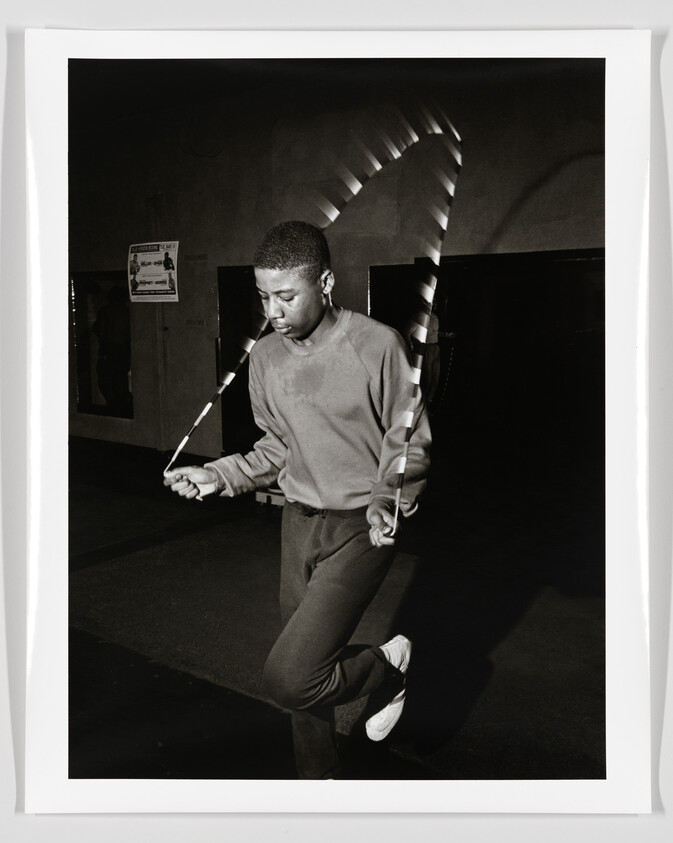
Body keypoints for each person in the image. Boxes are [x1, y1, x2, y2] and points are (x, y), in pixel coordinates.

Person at [163, 221, 431, 779]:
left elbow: (405, 441)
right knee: (311, 667)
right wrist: (221, 474)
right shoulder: (265, 358)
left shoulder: (377, 344)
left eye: (285, 296)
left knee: (291, 676)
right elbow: (277, 446)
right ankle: (317, 783)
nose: (273, 311)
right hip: (298, 523)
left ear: (326, 282)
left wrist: (389, 498)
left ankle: (387, 668)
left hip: (363, 525)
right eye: (264, 297)